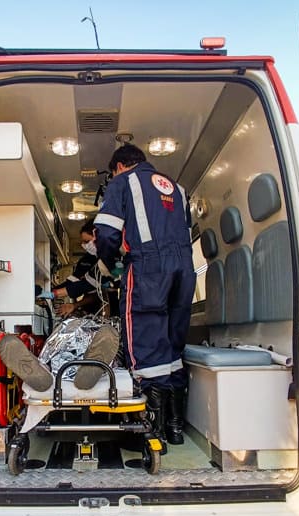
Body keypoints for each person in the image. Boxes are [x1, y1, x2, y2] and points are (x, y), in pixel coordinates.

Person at [93, 143, 195, 448]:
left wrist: (106, 262)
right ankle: (175, 427)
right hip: (185, 269)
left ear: (120, 166)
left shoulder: (122, 182)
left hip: (149, 267)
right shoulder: (178, 188)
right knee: (172, 343)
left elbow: (108, 232)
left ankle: (152, 433)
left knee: (146, 342)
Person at [38, 218, 115, 318]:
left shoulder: (114, 256)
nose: (85, 246)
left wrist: (51, 294)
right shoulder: (95, 262)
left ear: (98, 236)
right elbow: (83, 283)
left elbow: (91, 288)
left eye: (87, 241)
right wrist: (50, 293)